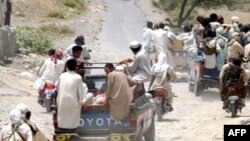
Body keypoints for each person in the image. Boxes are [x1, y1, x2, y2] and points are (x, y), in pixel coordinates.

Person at [56, 59, 89, 129]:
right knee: (73, 121)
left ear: (67, 66)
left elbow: (57, 86)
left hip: (62, 102)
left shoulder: (62, 76)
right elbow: (81, 92)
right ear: (75, 67)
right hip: (73, 103)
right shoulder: (78, 77)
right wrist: (83, 103)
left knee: (63, 119)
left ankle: (63, 130)